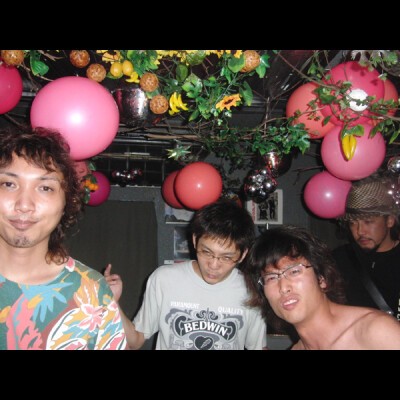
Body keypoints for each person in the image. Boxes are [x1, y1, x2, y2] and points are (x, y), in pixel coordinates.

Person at [0, 126, 126, 350]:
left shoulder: (93, 294)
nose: (24, 205)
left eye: (45, 188)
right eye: (9, 184)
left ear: (66, 202)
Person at [105, 199, 267, 350]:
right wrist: (112, 302)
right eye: (206, 252)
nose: (213, 265)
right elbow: (135, 341)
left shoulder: (251, 290)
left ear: (243, 254)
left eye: (226, 257)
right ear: (195, 240)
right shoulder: (164, 279)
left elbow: (258, 347)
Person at [243, 225, 400, 350]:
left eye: (294, 271)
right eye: (271, 278)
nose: (283, 287)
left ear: (321, 278)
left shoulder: (376, 332)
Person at [332, 176, 400, 320]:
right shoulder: (340, 258)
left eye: (368, 222)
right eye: (353, 223)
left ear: (389, 221)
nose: (360, 231)